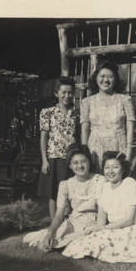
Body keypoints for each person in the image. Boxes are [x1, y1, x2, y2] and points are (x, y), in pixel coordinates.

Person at [62, 151, 136, 263]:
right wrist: (95, 228)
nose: (110, 171)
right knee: (78, 244)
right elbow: (101, 220)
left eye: (115, 167)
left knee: (101, 244)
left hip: (128, 230)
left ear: (123, 169)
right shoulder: (104, 188)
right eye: (107, 168)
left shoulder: (129, 184)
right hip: (111, 228)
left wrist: (105, 228)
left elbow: (129, 220)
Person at [24, 144, 104, 251]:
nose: (80, 166)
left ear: (89, 162)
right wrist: (49, 234)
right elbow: (58, 216)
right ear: (70, 166)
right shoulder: (65, 185)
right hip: (73, 224)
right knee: (47, 242)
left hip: (94, 224)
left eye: (84, 161)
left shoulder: (100, 180)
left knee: (83, 245)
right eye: (75, 163)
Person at [81, 62, 135, 172]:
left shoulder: (125, 100)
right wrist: (84, 155)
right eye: (102, 76)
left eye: (110, 76)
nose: (106, 80)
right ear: (96, 79)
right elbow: (85, 131)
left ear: (116, 80)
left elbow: (130, 129)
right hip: (94, 152)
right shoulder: (87, 102)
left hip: (118, 150)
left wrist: (128, 156)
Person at [37, 77, 79, 220]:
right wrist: (44, 160)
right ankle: (54, 224)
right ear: (56, 93)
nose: (67, 96)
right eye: (63, 92)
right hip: (54, 158)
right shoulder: (47, 112)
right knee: (54, 193)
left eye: (70, 93)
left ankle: (69, 222)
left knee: (70, 191)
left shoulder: (76, 114)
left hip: (71, 160)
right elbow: (44, 137)